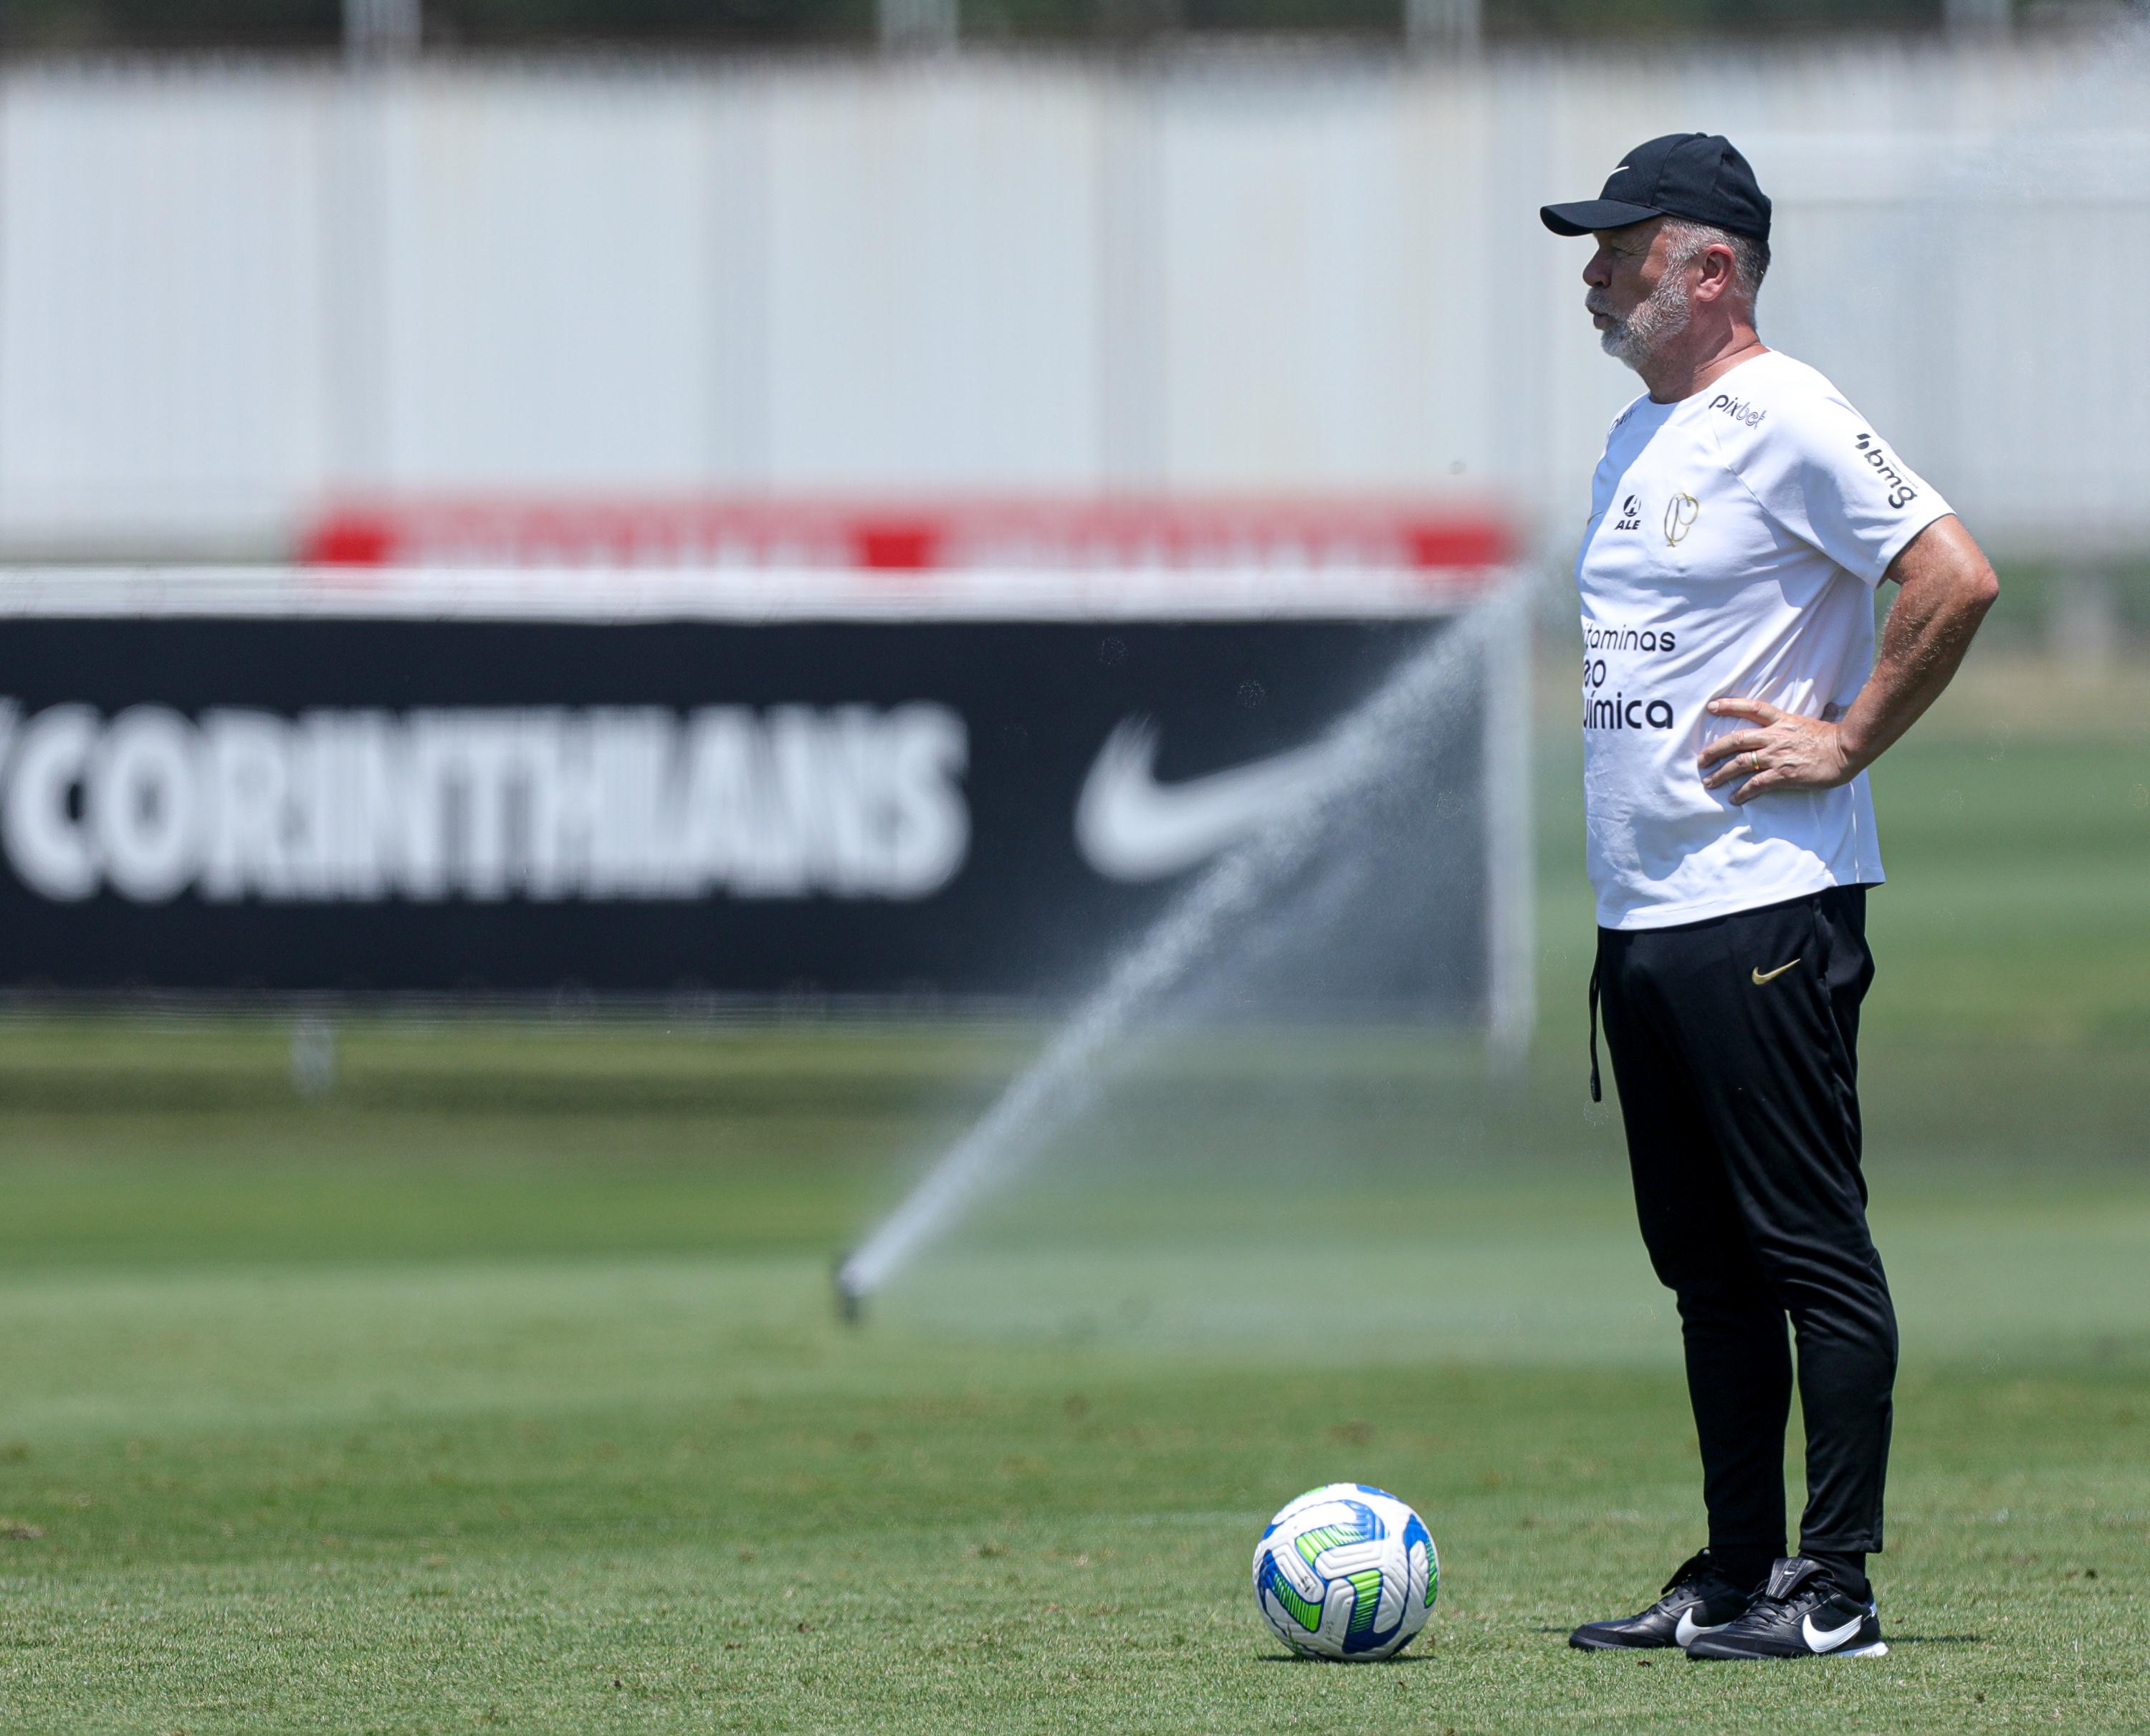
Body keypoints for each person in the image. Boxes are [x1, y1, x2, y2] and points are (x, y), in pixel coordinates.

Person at [1539, 133, 1998, 1661]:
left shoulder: (1786, 409)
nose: (1596, 275)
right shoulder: (1632, 436)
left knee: (1809, 1251)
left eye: (1624, 249)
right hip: (1647, 922)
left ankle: (1838, 1584)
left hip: (1766, 909)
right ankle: (1737, 1570)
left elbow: (1952, 574)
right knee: (1707, 1269)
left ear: (1712, 268)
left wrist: (1849, 734)